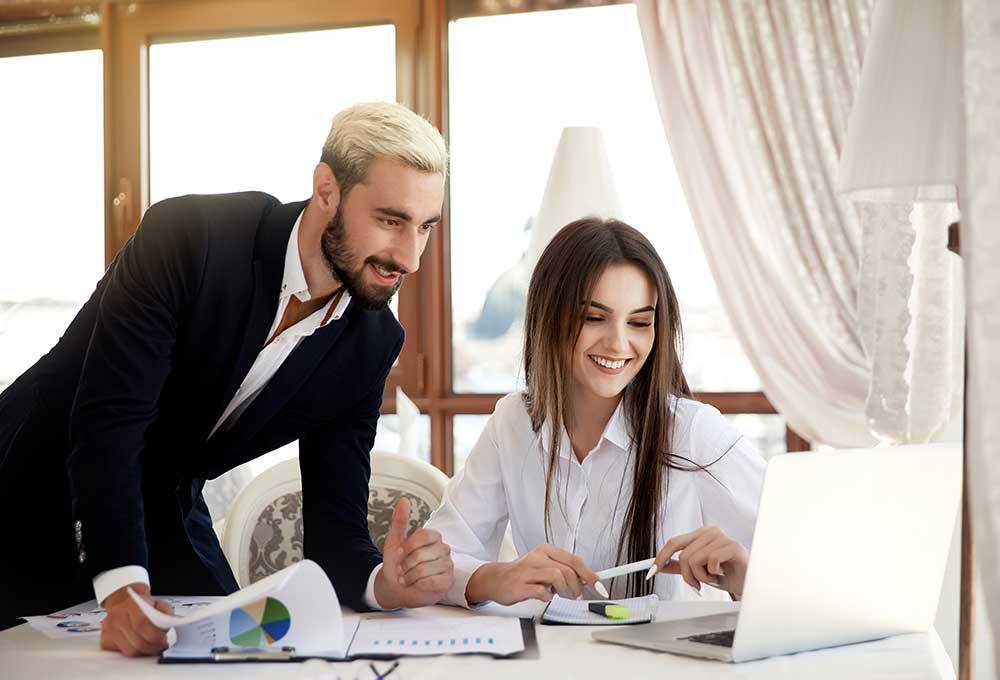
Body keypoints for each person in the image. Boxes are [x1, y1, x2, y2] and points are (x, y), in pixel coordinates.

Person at [0, 102, 455, 653]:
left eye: (425, 227)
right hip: (29, 475)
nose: (410, 257)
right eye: (390, 221)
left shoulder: (371, 342)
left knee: (238, 652)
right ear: (326, 190)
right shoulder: (191, 237)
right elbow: (109, 419)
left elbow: (336, 528)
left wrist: (384, 583)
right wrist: (121, 590)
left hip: (163, 506)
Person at [424, 217, 766, 607]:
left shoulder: (693, 432)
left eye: (639, 322)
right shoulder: (513, 422)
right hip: (550, 647)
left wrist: (747, 576)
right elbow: (439, 560)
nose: (619, 343)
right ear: (549, 317)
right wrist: (494, 579)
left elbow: (801, 563)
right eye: (594, 318)